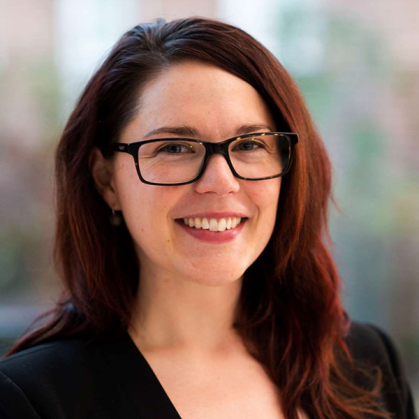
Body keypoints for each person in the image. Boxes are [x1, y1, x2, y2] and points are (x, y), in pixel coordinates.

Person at [0, 17, 416, 419]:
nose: (221, 182)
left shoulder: (364, 364)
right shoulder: (32, 398)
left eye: (251, 144)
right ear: (107, 180)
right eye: (175, 148)